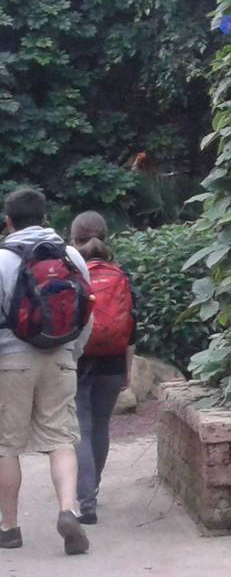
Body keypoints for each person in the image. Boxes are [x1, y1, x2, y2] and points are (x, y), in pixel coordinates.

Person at [0, 188, 92, 555]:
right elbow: (87, 311)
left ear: (8, 222)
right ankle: (68, 510)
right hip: (60, 355)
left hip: (11, 361)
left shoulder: (2, 260)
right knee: (60, 438)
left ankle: (9, 527)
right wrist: (73, 351)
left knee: (6, 445)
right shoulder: (70, 256)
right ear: (46, 218)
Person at [69, 211, 138, 524]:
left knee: (81, 429)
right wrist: (127, 370)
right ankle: (93, 486)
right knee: (100, 427)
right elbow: (132, 329)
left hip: (77, 361)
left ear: (73, 239)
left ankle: (86, 504)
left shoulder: (71, 274)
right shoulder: (120, 274)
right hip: (112, 361)